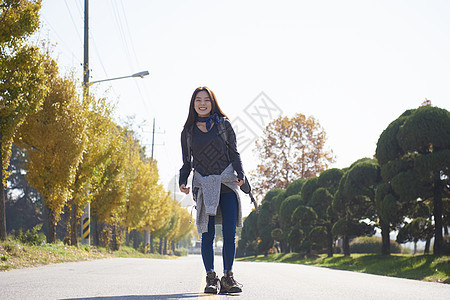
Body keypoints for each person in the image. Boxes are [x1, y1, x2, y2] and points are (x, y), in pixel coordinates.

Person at [179, 86, 245, 294]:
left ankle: (228, 277)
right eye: (198, 100)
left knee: (229, 232)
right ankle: (210, 277)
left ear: (212, 102)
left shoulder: (223, 125)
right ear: (193, 104)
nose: (202, 103)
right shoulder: (188, 132)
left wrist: (241, 175)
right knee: (206, 233)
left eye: (206, 99)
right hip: (203, 184)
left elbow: (234, 153)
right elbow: (186, 162)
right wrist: (183, 181)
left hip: (226, 182)